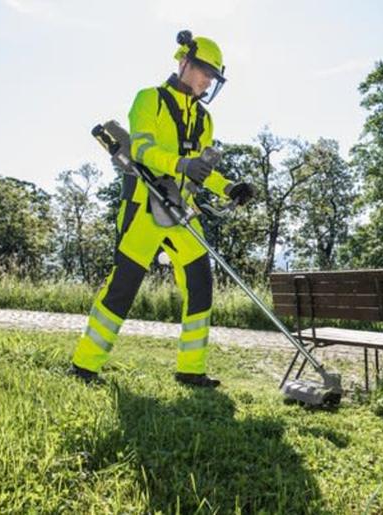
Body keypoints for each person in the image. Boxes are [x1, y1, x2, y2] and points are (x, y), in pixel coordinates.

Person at [68, 32, 255, 387]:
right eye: (204, 71)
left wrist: (228, 186)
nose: (207, 81)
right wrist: (180, 165)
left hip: (183, 211)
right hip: (145, 204)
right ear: (184, 62)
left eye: (213, 77)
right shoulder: (149, 100)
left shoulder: (204, 120)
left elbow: (203, 169)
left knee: (201, 283)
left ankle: (191, 369)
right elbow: (141, 149)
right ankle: (84, 365)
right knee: (123, 286)